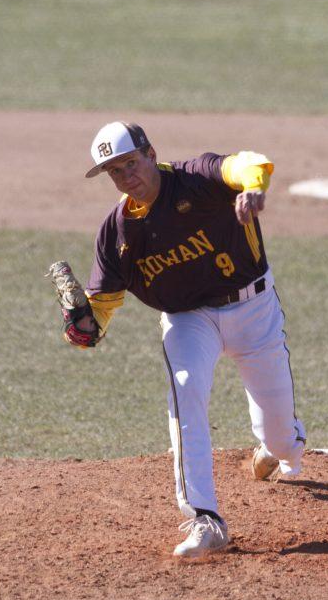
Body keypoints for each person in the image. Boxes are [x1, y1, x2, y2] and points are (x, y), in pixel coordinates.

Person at [68, 121, 305, 558]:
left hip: (254, 311)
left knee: (282, 440)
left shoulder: (198, 177)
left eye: (131, 163)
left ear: (151, 153)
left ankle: (277, 446)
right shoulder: (117, 232)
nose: (126, 176)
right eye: (115, 172)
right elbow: (101, 308)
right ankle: (204, 518)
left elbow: (249, 162)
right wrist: (84, 327)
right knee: (184, 390)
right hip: (187, 321)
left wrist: (253, 188)